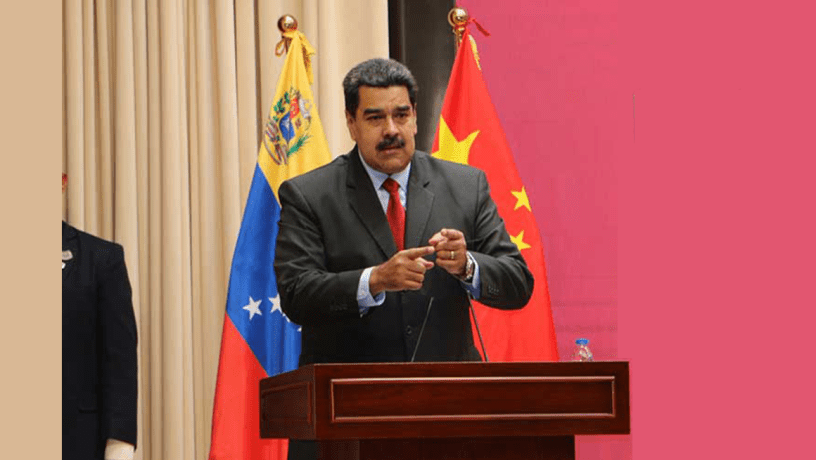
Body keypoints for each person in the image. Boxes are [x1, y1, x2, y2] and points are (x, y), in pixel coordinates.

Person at [274, 58, 534, 459]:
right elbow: (296, 293)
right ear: (351, 123)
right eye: (375, 118)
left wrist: (467, 265)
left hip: (448, 417)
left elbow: (518, 282)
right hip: (345, 420)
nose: (391, 130)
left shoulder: (466, 186)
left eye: (401, 115)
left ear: (415, 117)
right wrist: (375, 280)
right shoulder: (309, 195)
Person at [62, 174, 138, 460]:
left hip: (75, 441)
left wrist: (120, 444)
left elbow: (119, 361)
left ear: (62, 183)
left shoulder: (102, 258)